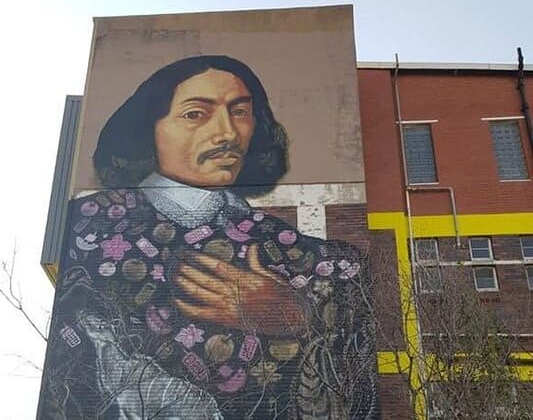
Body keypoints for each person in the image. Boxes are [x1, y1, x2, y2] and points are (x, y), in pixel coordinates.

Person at [38, 56, 379, 420]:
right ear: (149, 129)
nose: (227, 134)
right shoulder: (91, 226)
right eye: (195, 114)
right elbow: (73, 372)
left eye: (240, 112)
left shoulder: (285, 243)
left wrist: (299, 315)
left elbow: (362, 319)